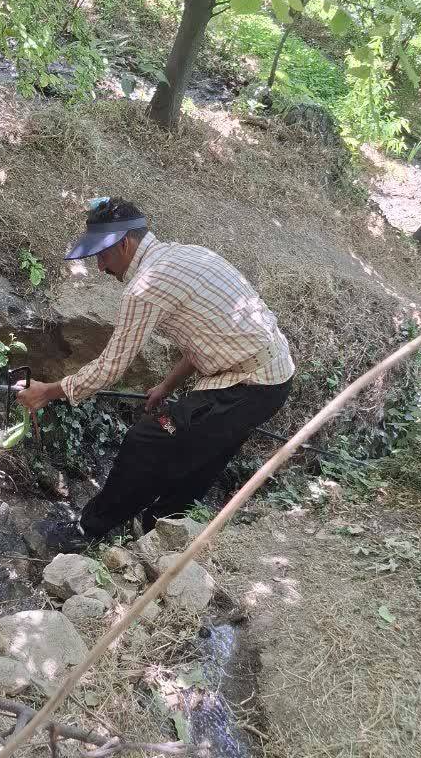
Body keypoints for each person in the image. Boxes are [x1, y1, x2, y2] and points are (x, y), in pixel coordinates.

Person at [17, 197, 295, 549]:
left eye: (102, 255)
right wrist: (166, 385)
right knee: (203, 454)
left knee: (146, 441)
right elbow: (206, 339)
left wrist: (48, 392)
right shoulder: (187, 254)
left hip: (249, 384)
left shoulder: (146, 287)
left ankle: (88, 531)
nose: (100, 267)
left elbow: (110, 367)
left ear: (124, 244)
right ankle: (159, 530)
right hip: (269, 374)